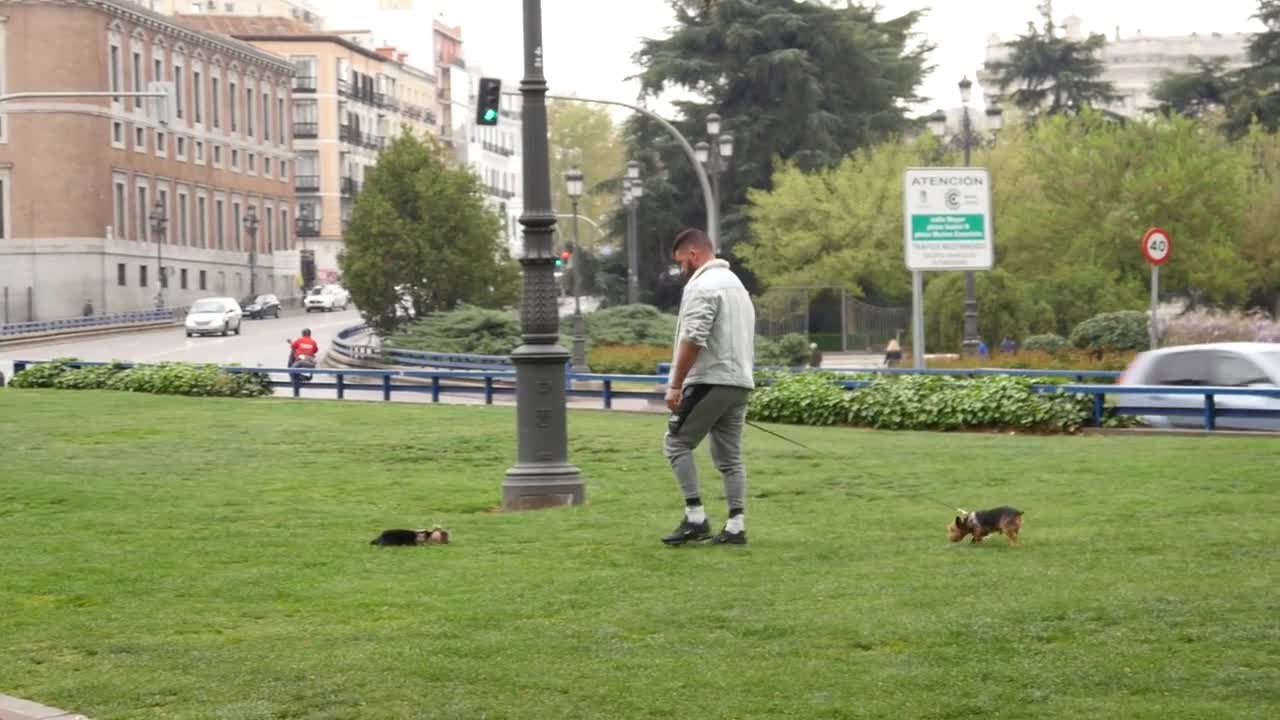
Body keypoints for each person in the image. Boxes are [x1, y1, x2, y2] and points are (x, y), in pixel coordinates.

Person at [662, 228, 757, 546]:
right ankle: (735, 526)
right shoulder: (738, 286)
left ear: (693, 254)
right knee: (730, 457)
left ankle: (695, 518)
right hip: (740, 381)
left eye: (680, 263)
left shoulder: (702, 285)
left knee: (676, 443)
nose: (680, 270)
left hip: (709, 379)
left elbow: (693, 338)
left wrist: (675, 386)